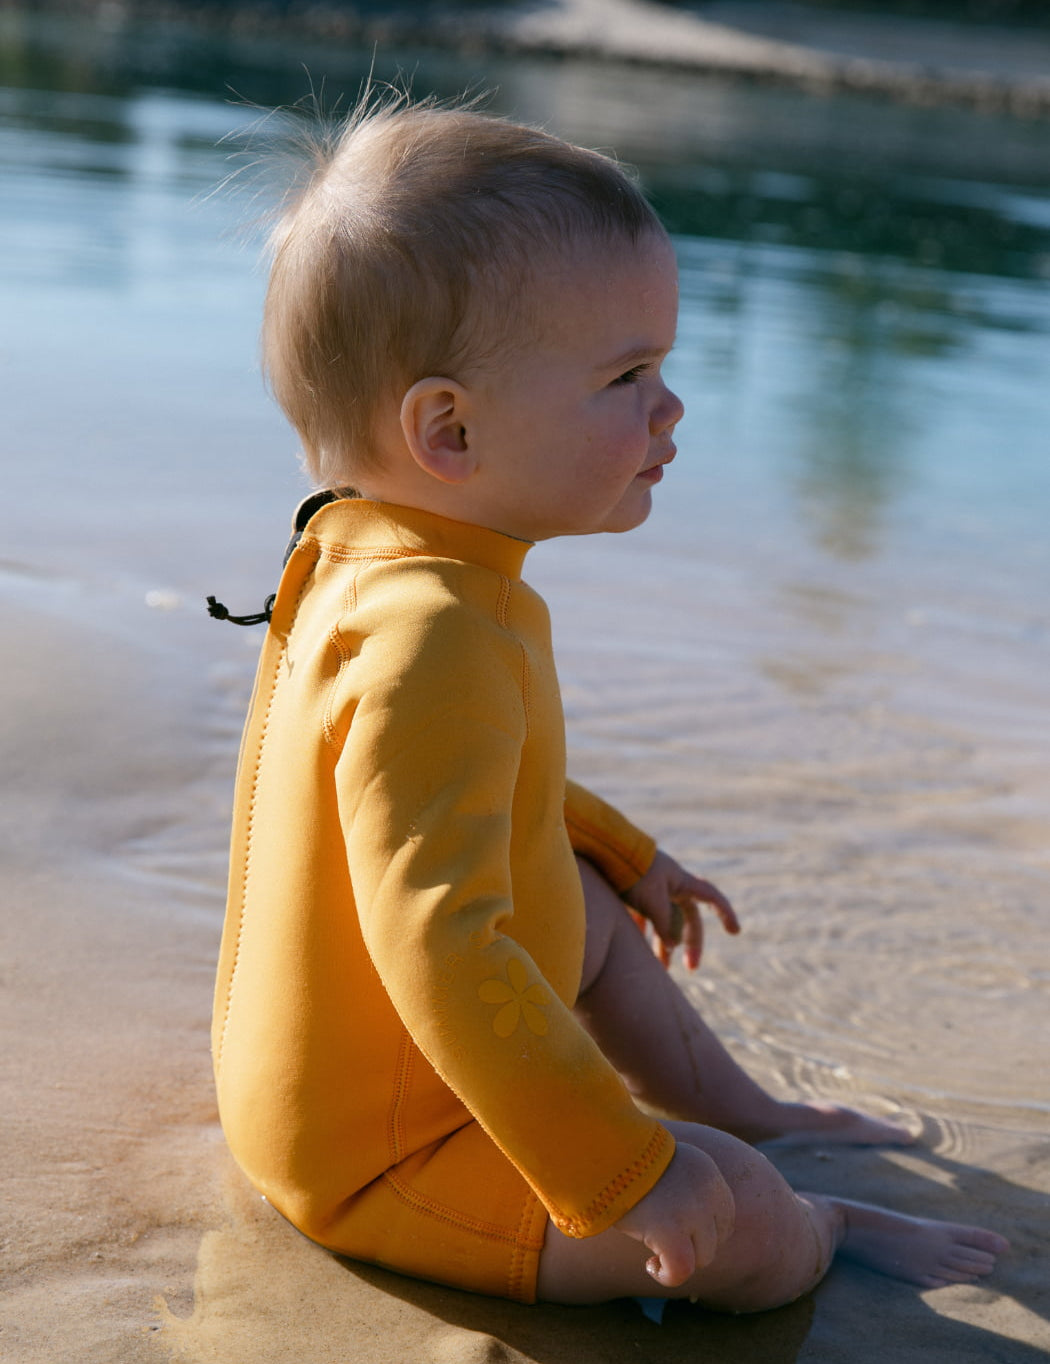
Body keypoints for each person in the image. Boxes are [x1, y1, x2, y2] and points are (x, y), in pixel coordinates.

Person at [211, 96, 1008, 1312]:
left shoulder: (367, 558)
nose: (671, 408)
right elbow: (439, 940)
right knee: (729, 1207)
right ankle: (818, 1214)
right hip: (379, 1160)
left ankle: (752, 1106)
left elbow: (426, 787)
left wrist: (619, 849)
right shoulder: (435, 630)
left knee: (578, 903)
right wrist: (621, 1172)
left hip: (318, 1080)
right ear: (450, 428)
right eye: (628, 374)